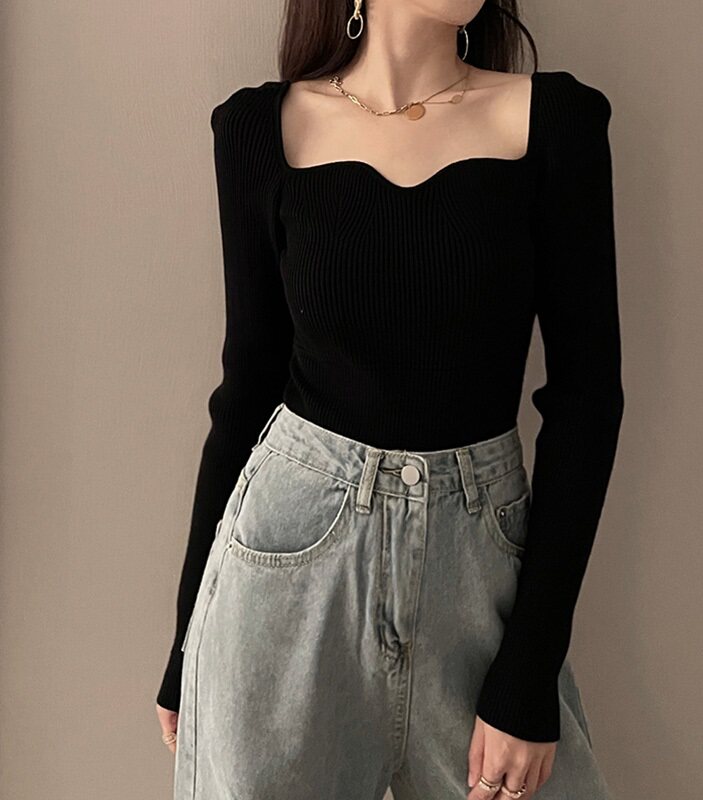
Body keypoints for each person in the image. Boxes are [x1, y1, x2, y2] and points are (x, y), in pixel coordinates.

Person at [155, 1, 624, 798]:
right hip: (287, 575)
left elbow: (587, 401)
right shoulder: (260, 130)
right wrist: (185, 644)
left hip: (478, 574)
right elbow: (246, 390)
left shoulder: (556, 123)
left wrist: (531, 667)